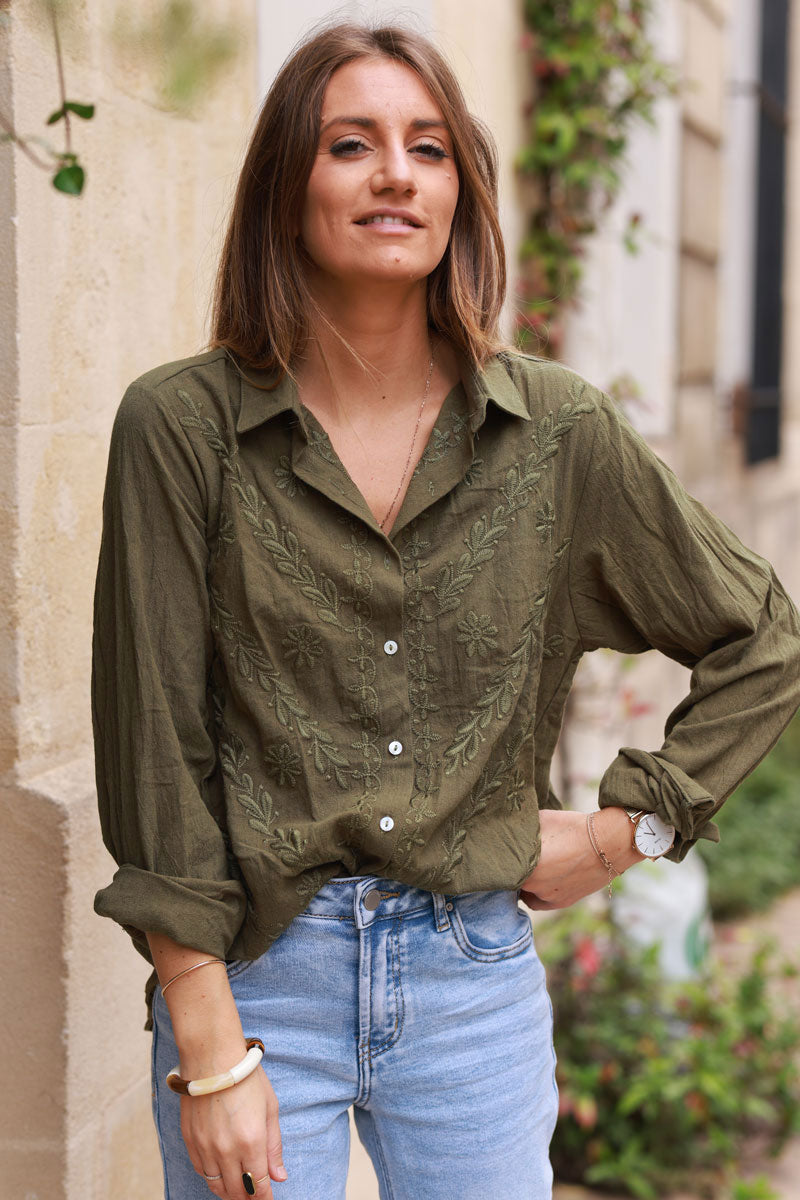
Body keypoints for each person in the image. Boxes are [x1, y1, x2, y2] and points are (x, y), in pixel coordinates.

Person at [91, 21, 800, 1200]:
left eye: (426, 147)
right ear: (286, 184)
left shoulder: (555, 432)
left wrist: (634, 830)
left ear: (459, 188)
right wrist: (206, 1042)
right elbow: (160, 748)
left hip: (472, 979)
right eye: (349, 145)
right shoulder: (180, 429)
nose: (393, 175)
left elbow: (761, 635)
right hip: (263, 980)